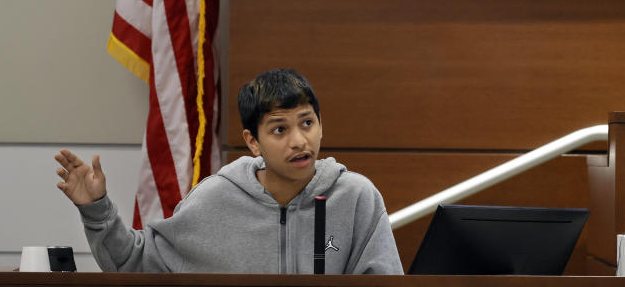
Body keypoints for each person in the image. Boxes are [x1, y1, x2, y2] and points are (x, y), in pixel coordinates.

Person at [54, 69, 403, 274]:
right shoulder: (216, 197)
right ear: (253, 142)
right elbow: (134, 262)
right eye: (280, 130)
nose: (299, 140)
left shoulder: (357, 197)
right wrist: (96, 208)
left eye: (307, 123)